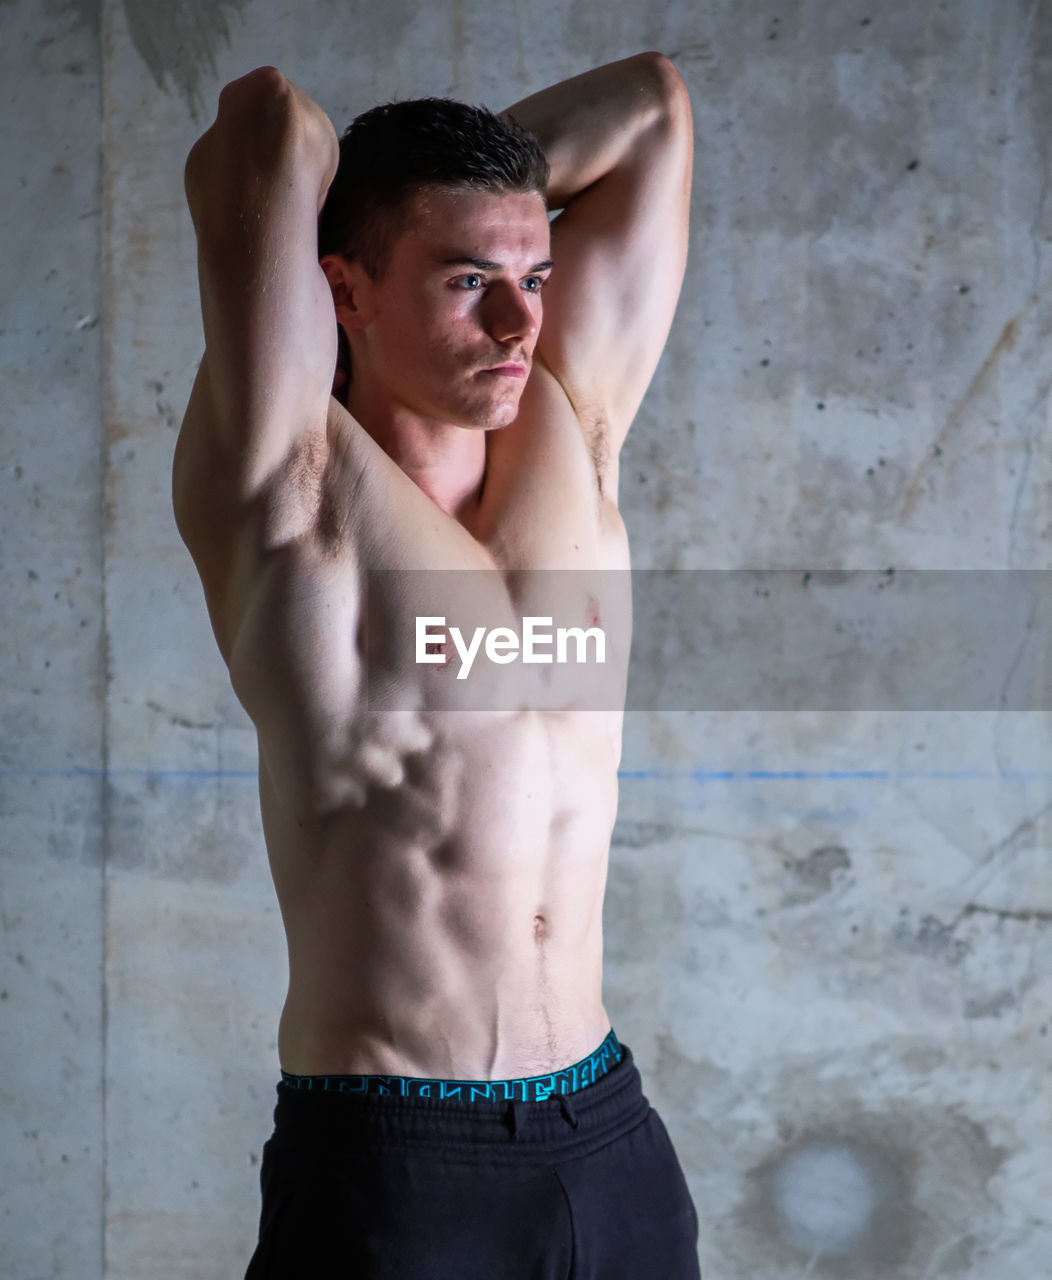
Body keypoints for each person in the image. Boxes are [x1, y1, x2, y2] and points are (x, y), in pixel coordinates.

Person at [175, 51, 697, 1279]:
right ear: (341, 289)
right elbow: (265, 127)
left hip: (608, 1134)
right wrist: (385, 198)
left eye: (532, 275)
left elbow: (655, 108)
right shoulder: (290, 493)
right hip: (399, 1163)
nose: (519, 323)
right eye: (469, 282)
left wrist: (467, 212)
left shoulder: (575, 427)